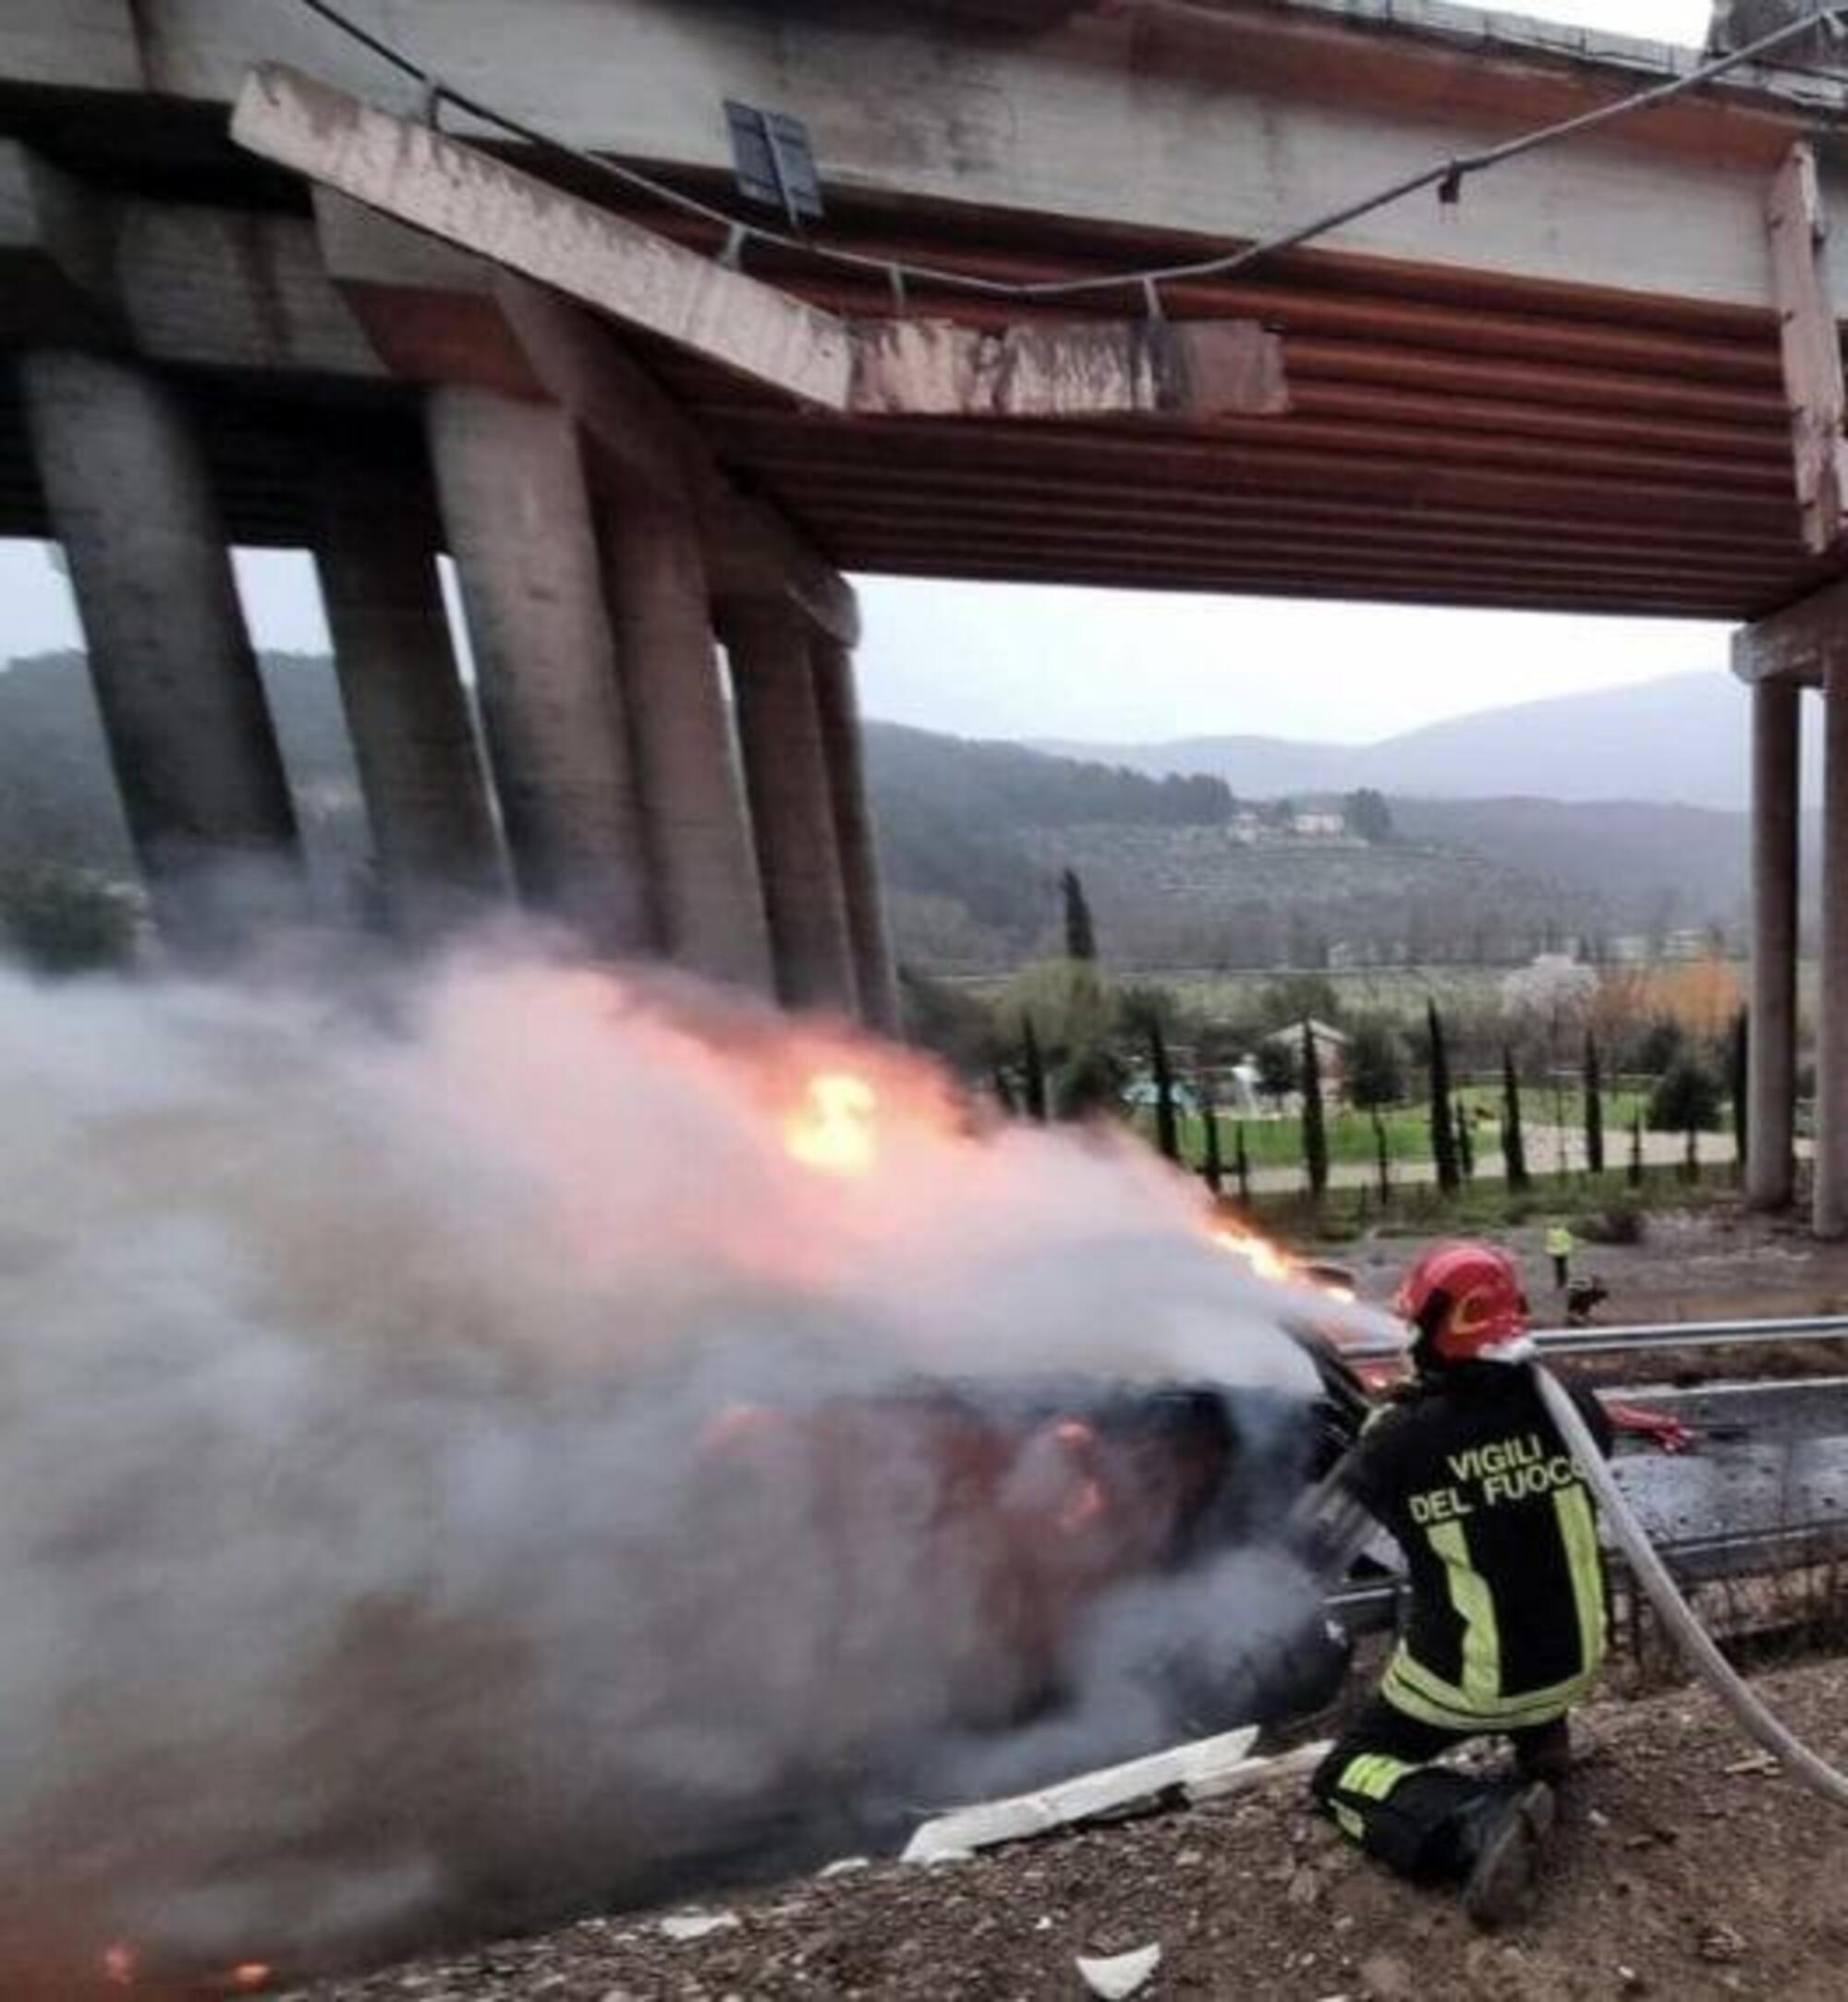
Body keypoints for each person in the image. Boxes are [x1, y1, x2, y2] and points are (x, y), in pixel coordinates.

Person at [1308, 1241, 1611, 1929]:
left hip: (1469, 1685)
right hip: (1573, 1663)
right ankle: (1541, 1739)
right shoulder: (1577, 1404)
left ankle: (1475, 1822)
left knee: (1343, 1772)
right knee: (1523, 1561)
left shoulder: (1400, 1439)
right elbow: (1518, 1495)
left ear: (1436, 1331)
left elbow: (1325, 1538)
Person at [1545, 1221, 1574, 1292]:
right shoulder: (1564, 1232)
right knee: (1563, 1267)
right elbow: (1569, 1241)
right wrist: (1569, 1249)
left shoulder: (1550, 1233)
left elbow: (1549, 1243)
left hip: (1555, 1253)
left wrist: (1548, 1251)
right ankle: (1564, 1282)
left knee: (1558, 1268)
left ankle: (1559, 1283)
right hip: (1564, 1252)